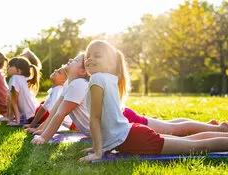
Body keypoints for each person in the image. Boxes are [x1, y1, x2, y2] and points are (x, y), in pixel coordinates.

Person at [79, 40, 228, 163]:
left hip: (134, 138)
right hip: (132, 134)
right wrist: (97, 147)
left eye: (97, 55)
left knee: (196, 146)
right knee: (192, 141)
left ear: (111, 64)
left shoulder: (97, 79)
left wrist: (98, 152)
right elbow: (105, 119)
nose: (90, 59)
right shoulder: (108, 78)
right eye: (88, 56)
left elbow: (96, 118)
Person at [31, 53, 90, 144]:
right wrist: (44, 130)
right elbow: (56, 109)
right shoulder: (68, 83)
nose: (70, 59)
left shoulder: (79, 84)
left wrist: (43, 138)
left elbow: (61, 113)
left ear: (82, 72)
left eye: (76, 60)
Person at [24, 67, 77, 133]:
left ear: (64, 81)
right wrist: (32, 125)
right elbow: (43, 109)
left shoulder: (58, 91)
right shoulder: (54, 90)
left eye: (59, 72)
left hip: (75, 125)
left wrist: (39, 130)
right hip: (71, 124)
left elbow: (53, 114)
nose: (55, 70)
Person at [6, 57, 41, 126]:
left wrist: (17, 122)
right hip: (35, 113)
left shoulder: (15, 78)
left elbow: (14, 102)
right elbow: (11, 102)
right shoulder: (21, 78)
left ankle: (19, 120)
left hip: (32, 117)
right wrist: (10, 118)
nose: (7, 69)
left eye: (9, 67)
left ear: (18, 71)